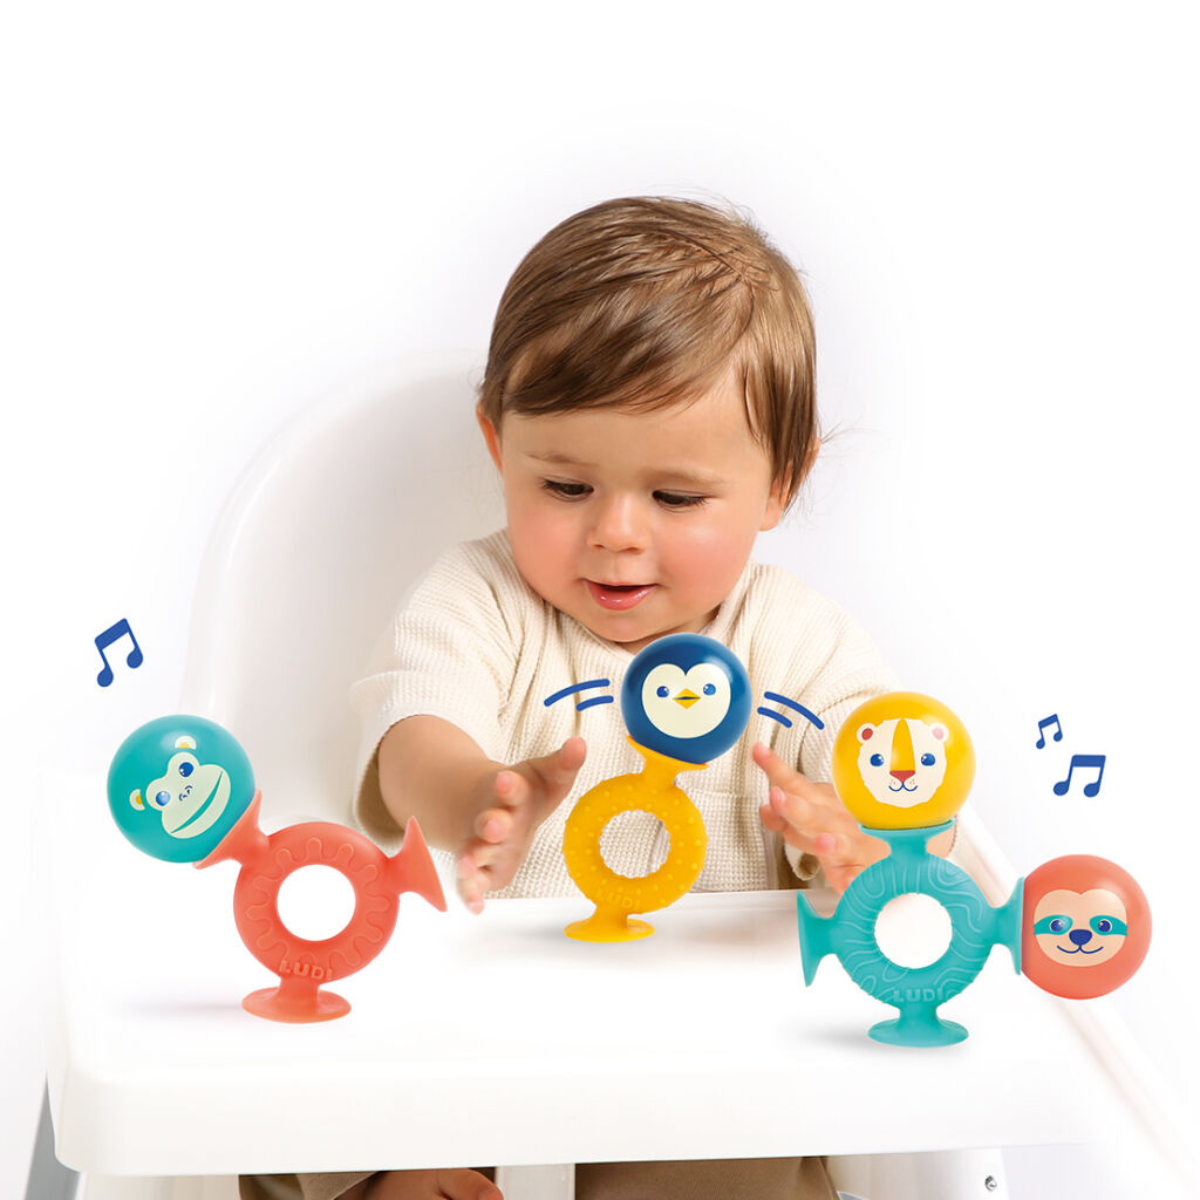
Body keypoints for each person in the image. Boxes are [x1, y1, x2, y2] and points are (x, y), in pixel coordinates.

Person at [241, 195, 952, 1200]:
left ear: (780, 483)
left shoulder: (798, 643)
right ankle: (406, 1176)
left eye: (675, 497)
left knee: (751, 1150)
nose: (617, 532)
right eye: (567, 487)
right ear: (500, 446)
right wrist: (481, 798)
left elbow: (907, 779)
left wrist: (856, 839)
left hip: (701, 1073)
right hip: (470, 1053)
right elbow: (413, 740)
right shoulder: (479, 600)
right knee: (284, 1098)